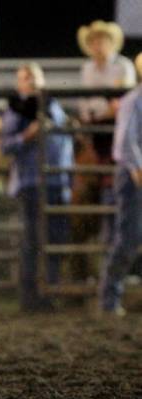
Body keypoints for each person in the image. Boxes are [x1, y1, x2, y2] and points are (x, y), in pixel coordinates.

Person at [1, 63, 73, 313]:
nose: (30, 81)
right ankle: (32, 296)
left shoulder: (52, 105)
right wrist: (26, 136)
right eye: (25, 77)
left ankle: (48, 292)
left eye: (34, 77)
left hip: (57, 180)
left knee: (54, 238)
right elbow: (5, 145)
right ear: (19, 83)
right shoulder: (16, 110)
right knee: (33, 240)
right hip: (32, 182)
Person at [75, 20, 136, 250]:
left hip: (119, 135)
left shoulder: (123, 66)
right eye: (94, 40)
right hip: (97, 135)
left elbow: (123, 104)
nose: (98, 45)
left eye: (102, 40)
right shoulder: (87, 68)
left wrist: (102, 112)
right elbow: (86, 105)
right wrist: (103, 112)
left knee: (117, 187)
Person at [98, 53, 142, 317]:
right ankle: (109, 298)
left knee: (129, 236)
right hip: (132, 174)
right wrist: (137, 169)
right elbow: (125, 142)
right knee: (129, 236)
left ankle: (111, 296)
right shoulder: (133, 100)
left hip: (133, 171)